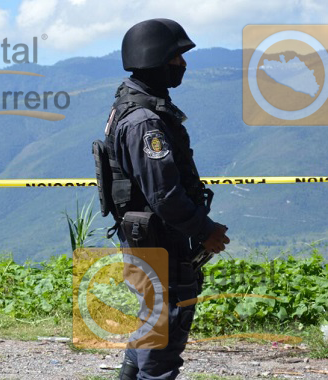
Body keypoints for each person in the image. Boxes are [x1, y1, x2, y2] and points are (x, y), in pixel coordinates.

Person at [103, 19, 230, 380]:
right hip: (161, 240)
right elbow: (164, 194)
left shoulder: (131, 106)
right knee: (164, 341)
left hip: (149, 239)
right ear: (156, 57)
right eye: (176, 57)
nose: (183, 65)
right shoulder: (145, 121)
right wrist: (204, 229)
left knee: (152, 326)